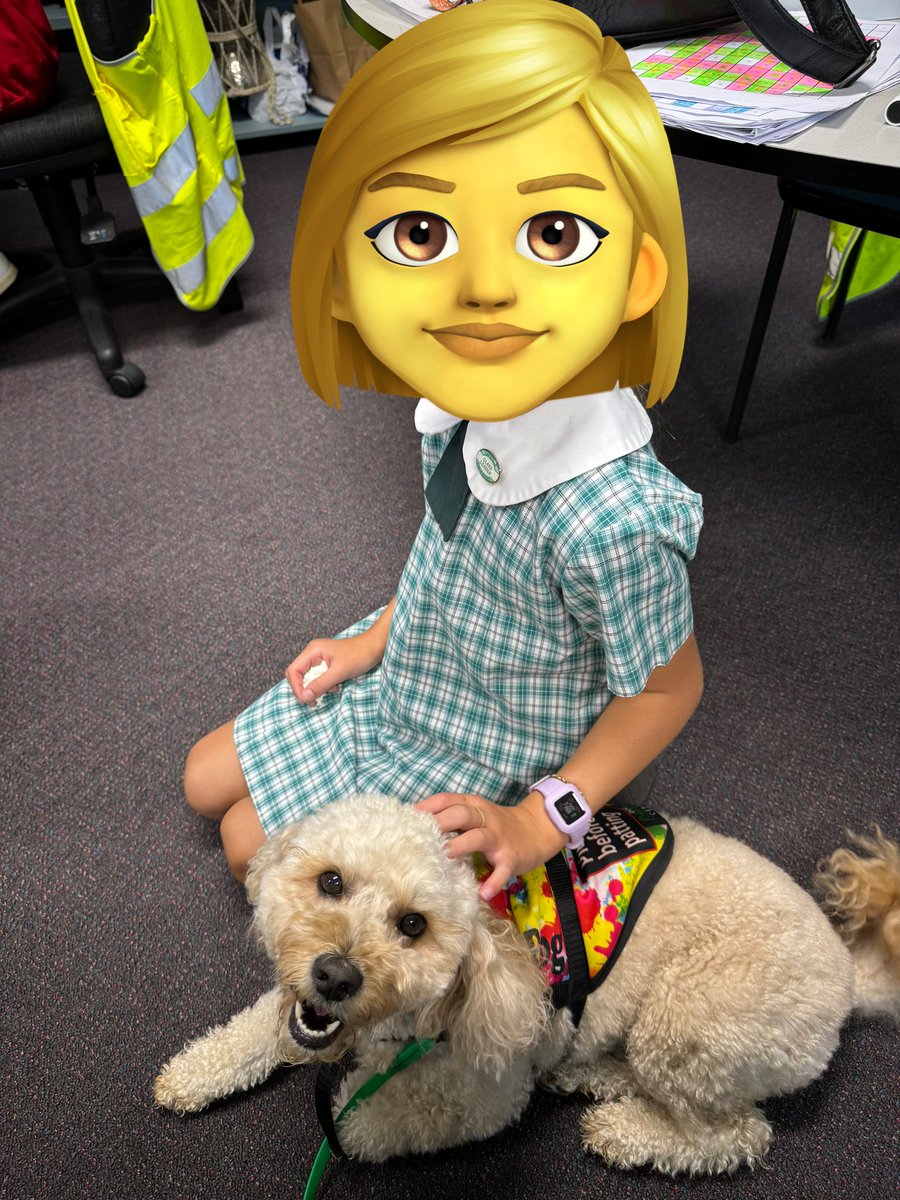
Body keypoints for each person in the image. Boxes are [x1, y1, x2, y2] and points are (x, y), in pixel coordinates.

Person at [183, 0, 704, 899]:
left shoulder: (615, 519)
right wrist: (373, 641)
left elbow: (666, 692)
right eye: (421, 235)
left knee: (244, 844)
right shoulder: (462, 401)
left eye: (554, 235)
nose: (487, 289)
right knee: (202, 780)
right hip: (428, 661)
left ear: (638, 277)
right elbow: (447, 547)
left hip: (499, 740)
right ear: (347, 279)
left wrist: (543, 819)